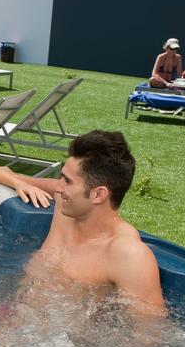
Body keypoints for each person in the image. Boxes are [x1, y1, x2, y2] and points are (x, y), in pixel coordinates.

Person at [24, 130, 165, 313]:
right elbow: (2, 174)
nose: (58, 188)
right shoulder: (65, 206)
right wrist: (19, 183)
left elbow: (148, 337)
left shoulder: (129, 256)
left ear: (98, 194)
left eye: (67, 181)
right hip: (13, 314)